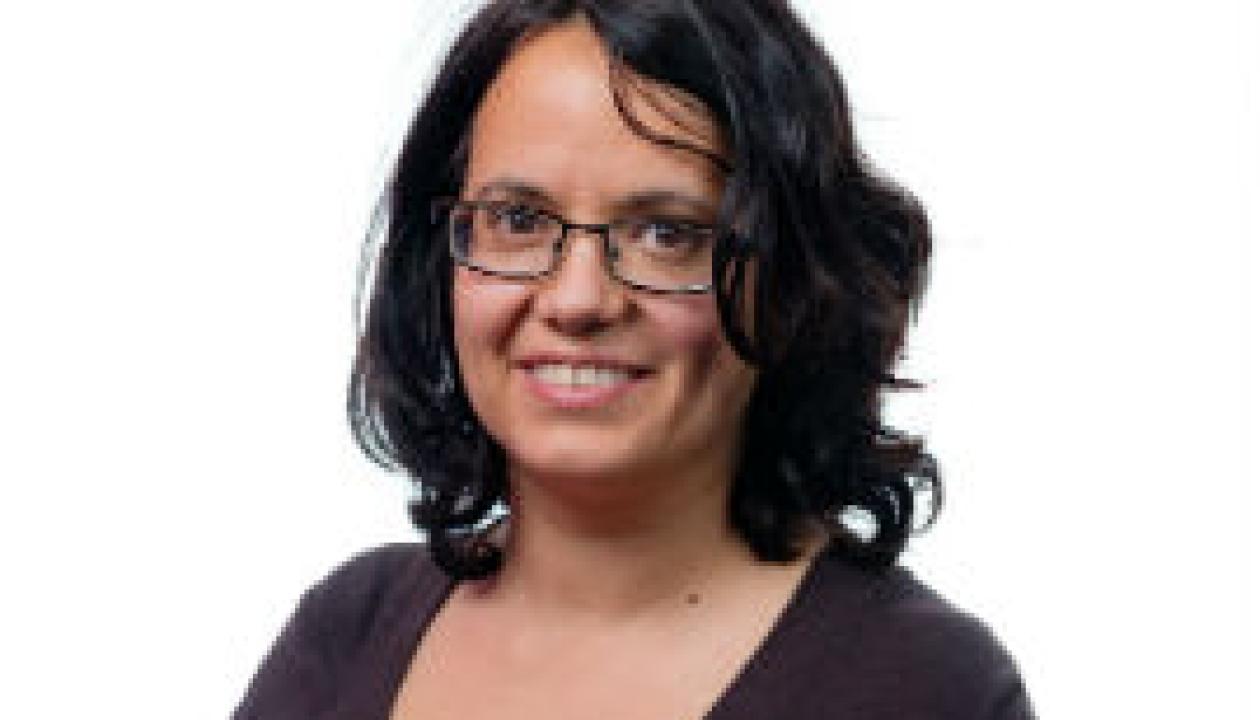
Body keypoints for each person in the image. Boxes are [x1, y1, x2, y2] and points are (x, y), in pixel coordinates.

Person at [235, 1, 1035, 718]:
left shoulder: (919, 689)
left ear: (794, 283)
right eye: (518, 218)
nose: (577, 300)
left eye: (667, 233)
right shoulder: (348, 634)